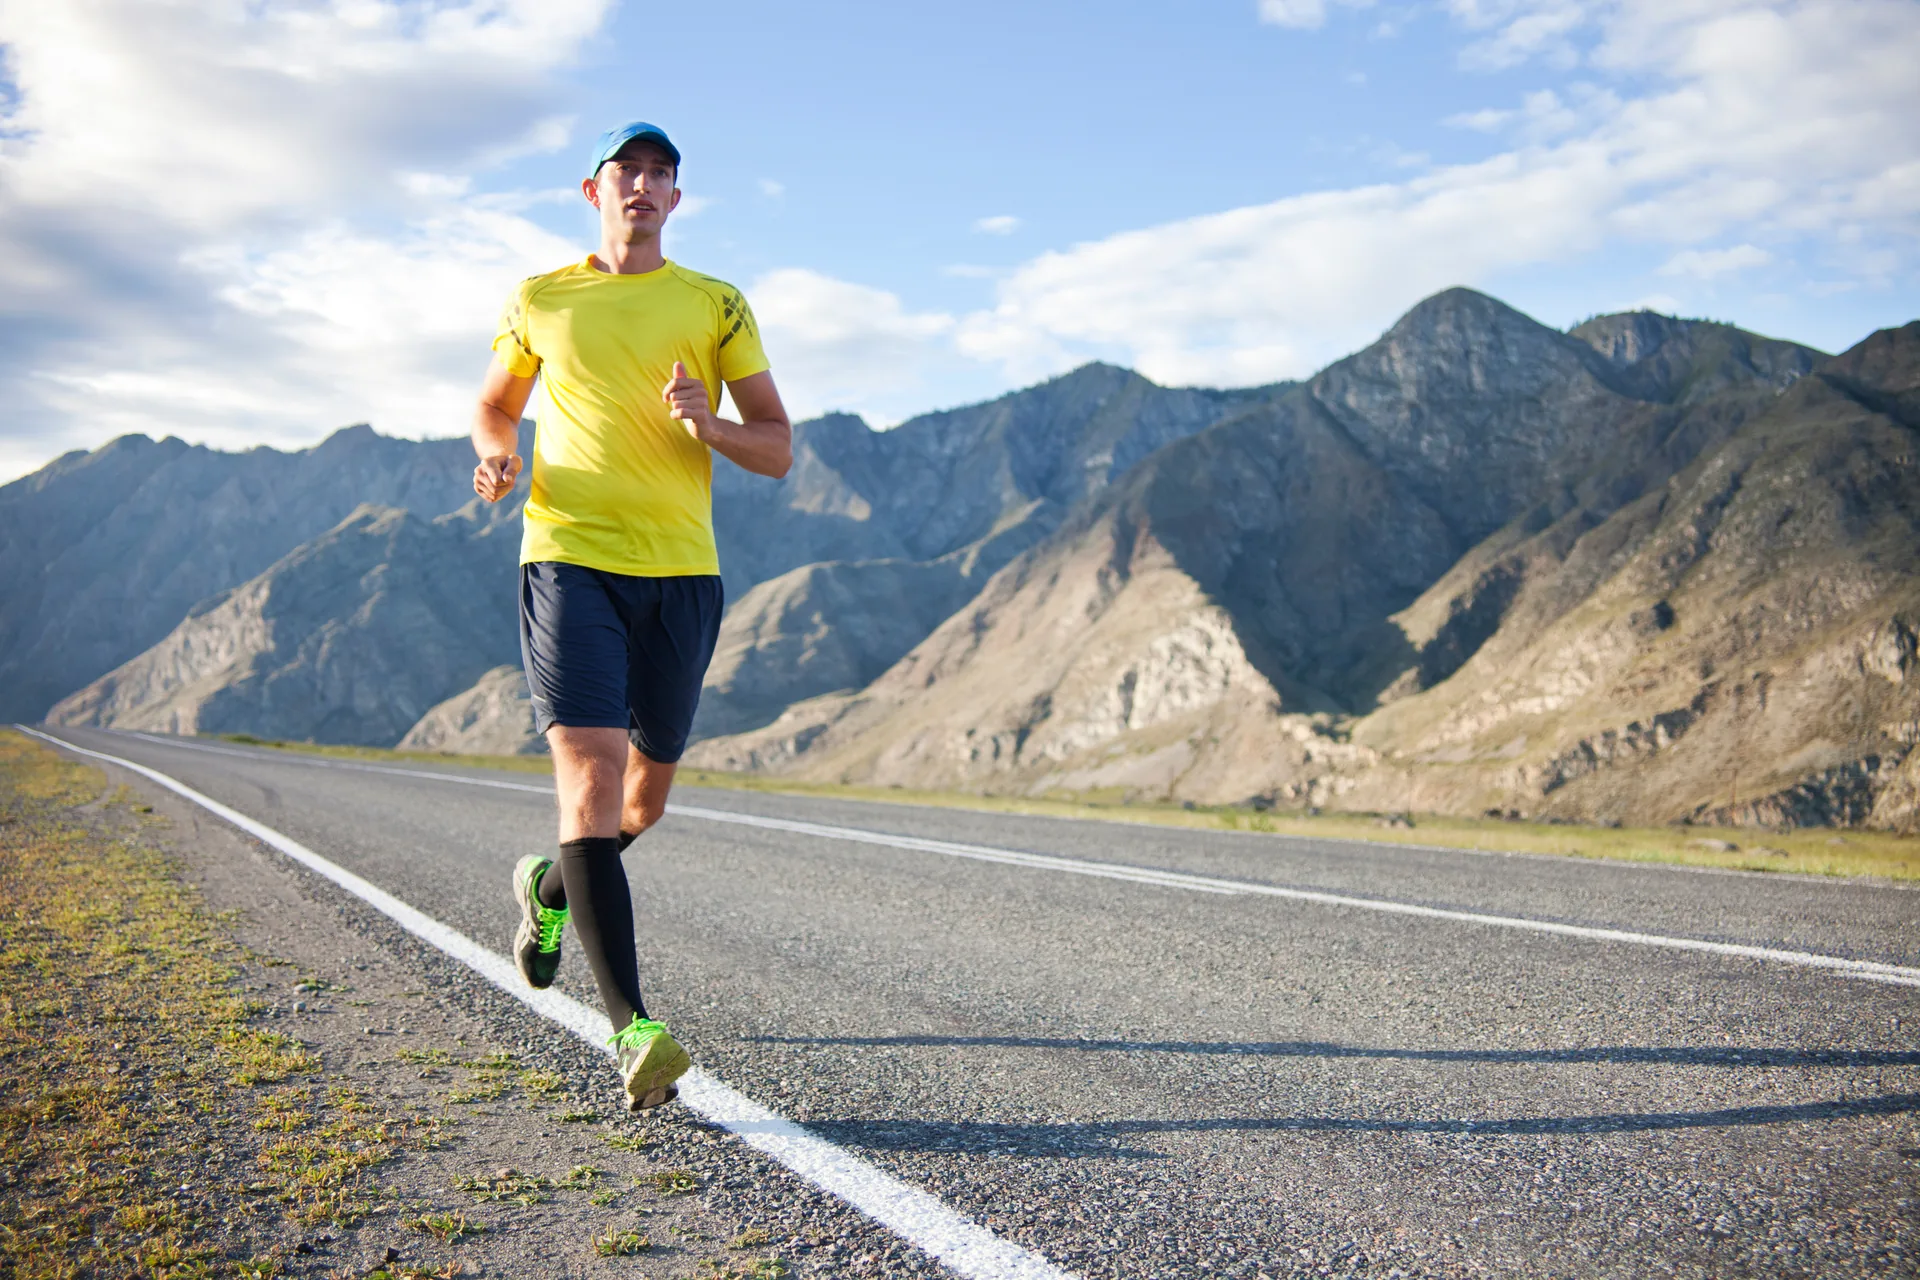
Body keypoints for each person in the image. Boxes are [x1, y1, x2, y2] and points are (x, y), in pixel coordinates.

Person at [470, 121, 792, 1111]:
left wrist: (708, 425)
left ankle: (549, 891)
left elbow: (777, 447)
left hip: (682, 574)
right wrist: (497, 453)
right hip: (568, 556)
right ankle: (633, 1029)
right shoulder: (541, 298)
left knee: (638, 806)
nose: (644, 186)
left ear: (676, 199)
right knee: (593, 777)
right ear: (593, 190)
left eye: (662, 175)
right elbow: (495, 404)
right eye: (628, 173)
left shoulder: (715, 303)